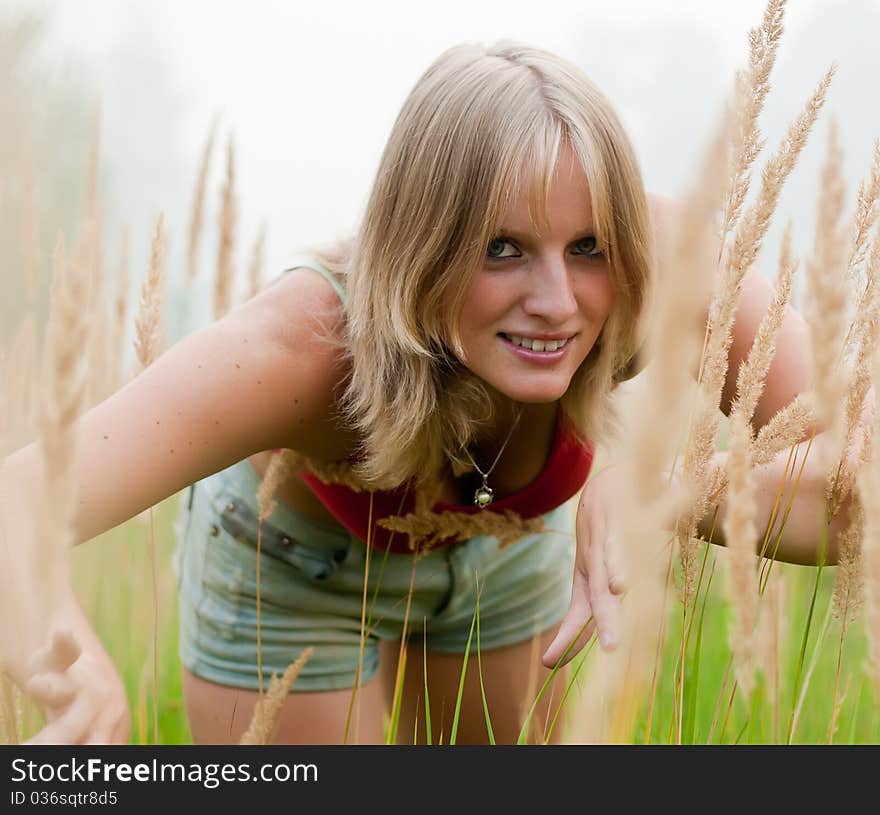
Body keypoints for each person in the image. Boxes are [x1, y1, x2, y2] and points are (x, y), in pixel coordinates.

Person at [0, 40, 858, 746]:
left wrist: (667, 484)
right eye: (501, 249)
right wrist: (81, 683)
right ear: (424, 249)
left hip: (511, 548)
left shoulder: (660, 267)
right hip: (296, 564)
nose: (558, 301)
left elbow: (860, 473)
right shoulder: (303, 350)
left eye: (588, 245)